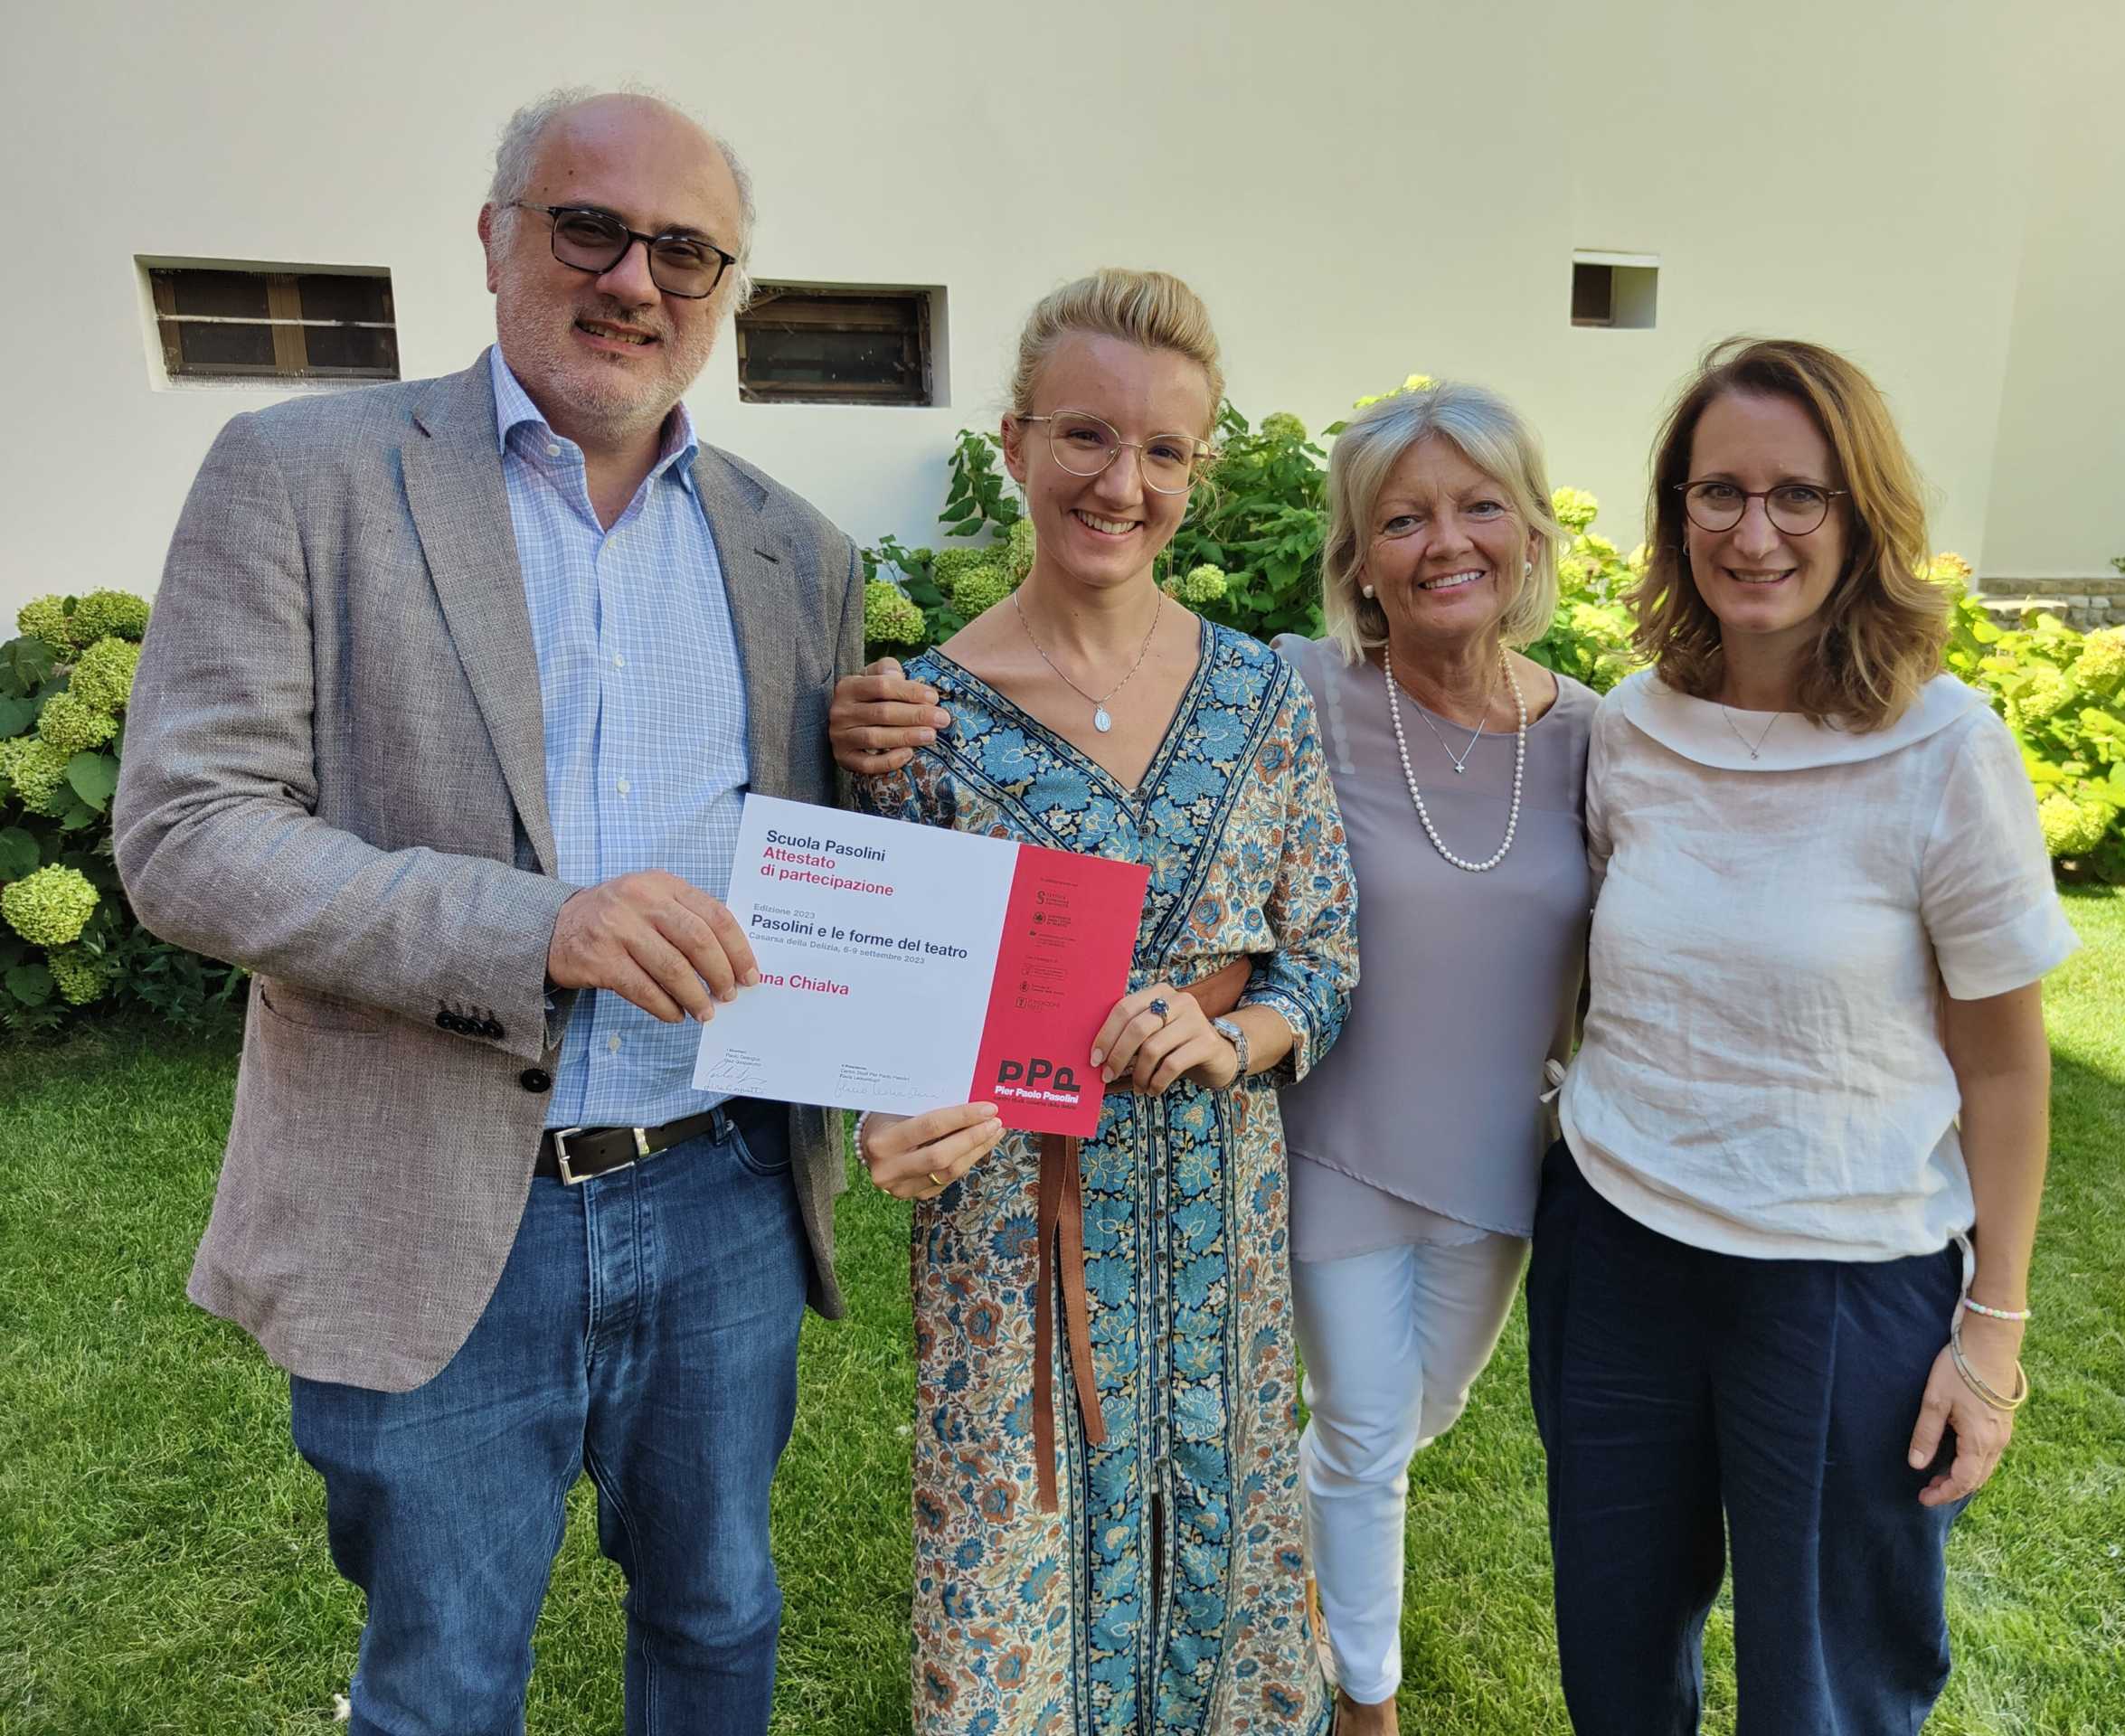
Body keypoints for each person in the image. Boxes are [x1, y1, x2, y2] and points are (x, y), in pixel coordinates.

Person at [113, 88, 863, 1735]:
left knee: (720, 1616)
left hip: (722, 1192)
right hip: (434, 1200)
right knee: (445, 1679)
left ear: (726, 286)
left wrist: (888, 767)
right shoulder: (302, 474)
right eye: (589, 229)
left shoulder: (799, 552)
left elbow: (819, 869)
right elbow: (187, 833)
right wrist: (535, 928)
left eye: (686, 251)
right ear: (495, 237)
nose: (635, 281)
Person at [1528, 337, 2076, 1734]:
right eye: (1718, 492)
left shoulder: (1945, 750)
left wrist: (1994, 1331)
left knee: (1823, 1696)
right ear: (1678, 510)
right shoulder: (1633, 732)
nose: (1753, 533)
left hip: (1841, 1285)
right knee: (1616, 1671)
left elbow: (2005, 1065)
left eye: (1798, 496)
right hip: (1618, 1254)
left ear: (1861, 515)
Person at [836, 268, 1357, 1734]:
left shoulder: (1259, 696)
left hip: (1217, 1225)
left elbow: (1326, 953)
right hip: (1010, 1231)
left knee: (1223, 1554)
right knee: (1011, 1566)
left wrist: (1231, 1033)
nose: (1121, 484)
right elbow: (872, 1008)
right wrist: (886, 1123)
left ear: (1197, 471)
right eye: (1085, 435)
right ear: (1014, 443)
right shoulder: (919, 723)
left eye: (1164, 450)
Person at [1269, 383, 1595, 1735]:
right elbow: (1107, 687)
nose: (1445, 542)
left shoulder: (1596, 733)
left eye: (1478, 507)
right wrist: (909, 702)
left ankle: (1281, 1557)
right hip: (1333, 1136)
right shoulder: (1293, 690)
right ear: (1359, 560)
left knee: (1419, 1410)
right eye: (1402, 520)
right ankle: (1365, 1701)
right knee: (1362, 1430)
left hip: (1502, 1152)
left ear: (1529, 532)